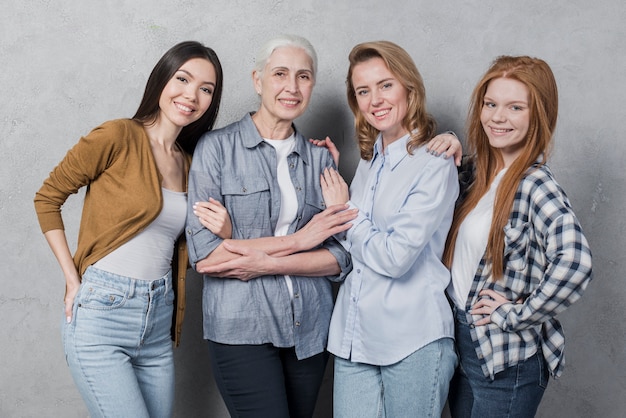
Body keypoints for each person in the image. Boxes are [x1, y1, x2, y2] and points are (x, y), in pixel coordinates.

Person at [34, 41, 224, 418]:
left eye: (206, 89)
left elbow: (188, 249)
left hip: (157, 322)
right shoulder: (118, 136)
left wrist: (227, 227)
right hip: (102, 313)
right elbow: (47, 198)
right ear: (161, 80)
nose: (192, 95)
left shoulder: (190, 162)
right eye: (183, 79)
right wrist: (73, 280)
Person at [185, 34, 359, 418]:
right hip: (241, 327)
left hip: (310, 327)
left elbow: (341, 258)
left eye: (304, 76)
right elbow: (206, 256)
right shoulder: (215, 150)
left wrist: (255, 253)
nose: (292, 87)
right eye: (280, 73)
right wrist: (302, 239)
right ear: (258, 80)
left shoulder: (320, 160)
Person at [315, 40, 461, 417]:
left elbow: (396, 258)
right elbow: (355, 248)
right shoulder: (368, 162)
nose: (375, 99)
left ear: (409, 87)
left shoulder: (435, 163)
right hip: (354, 338)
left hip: (412, 339)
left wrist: (345, 211)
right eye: (363, 91)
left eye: (385, 85)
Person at [442, 56, 593, 417]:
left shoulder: (535, 184)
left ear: (537, 114)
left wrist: (515, 314)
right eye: (491, 104)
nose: (497, 117)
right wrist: (448, 142)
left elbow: (576, 263)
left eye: (515, 107)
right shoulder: (477, 172)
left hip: (505, 357)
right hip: (461, 341)